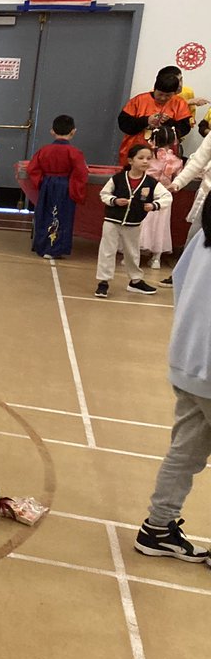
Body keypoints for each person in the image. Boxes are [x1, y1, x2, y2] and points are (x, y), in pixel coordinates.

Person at [132, 196, 211, 565]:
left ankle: (158, 528)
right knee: (185, 452)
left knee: (186, 452)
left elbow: (179, 284)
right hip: (206, 365)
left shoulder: (200, 238)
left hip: (186, 360)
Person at [94, 144, 171, 299]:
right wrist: (114, 200)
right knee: (107, 251)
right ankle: (103, 282)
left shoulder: (151, 183)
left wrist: (154, 205)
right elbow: (104, 194)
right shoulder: (117, 178)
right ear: (130, 160)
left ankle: (135, 281)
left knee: (132, 252)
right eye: (141, 158)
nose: (145, 162)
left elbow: (167, 197)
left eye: (148, 158)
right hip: (112, 220)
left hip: (133, 223)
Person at [27, 114, 89, 259]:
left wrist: (41, 182)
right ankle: (56, 249)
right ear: (73, 131)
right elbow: (81, 173)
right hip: (65, 186)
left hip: (48, 184)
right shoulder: (74, 152)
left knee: (45, 214)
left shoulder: (44, 150)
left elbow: (32, 169)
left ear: (52, 131)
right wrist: (76, 189)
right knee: (62, 216)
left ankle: (42, 246)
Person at [162, 122, 211, 286]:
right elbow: (198, 161)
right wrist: (178, 182)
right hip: (208, 196)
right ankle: (181, 275)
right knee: (194, 236)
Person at [118, 72, 191, 166]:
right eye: (160, 94)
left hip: (165, 158)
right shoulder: (139, 100)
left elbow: (184, 129)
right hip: (136, 153)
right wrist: (146, 120)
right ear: (154, 88)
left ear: (174, 93)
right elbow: (124, 124)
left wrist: (169, 122)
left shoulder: (180, 103)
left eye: (168, 95)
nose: (163, 98)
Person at [140, 126, 182, 269]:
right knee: (161, 226)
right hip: (165, 194)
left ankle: (136, 253)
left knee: (143, 221)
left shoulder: (148, 157)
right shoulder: (176, 160)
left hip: (146, 192)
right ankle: (156, 258)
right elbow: (178, 179)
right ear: (173, 140)